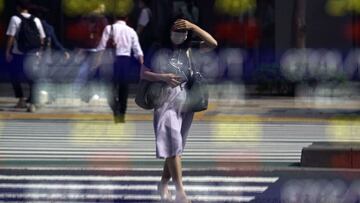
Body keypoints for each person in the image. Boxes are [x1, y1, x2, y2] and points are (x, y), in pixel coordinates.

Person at [140, 18, 217, 202]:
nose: (179, 35)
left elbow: (213, 43)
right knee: (173, 143)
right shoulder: (158, 49)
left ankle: (163, 183)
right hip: (165, 98)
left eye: (183, 32)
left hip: (186, 100)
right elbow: (143, 73)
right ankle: (180, 191)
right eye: (176, 31)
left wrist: (193, 26)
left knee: (177, 147)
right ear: (168, 32)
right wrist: (163, 77)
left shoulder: (190, 48)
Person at [97, 14, 144, 123]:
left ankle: (116, 109)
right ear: (127, 18)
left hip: (111, 61)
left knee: (110, 89)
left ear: (114, 18)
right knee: (124, 89)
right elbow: (138, 50)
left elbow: (101, 47)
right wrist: (142, 65)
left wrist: (97, 61)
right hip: (125, 61)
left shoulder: (109, 28)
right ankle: (121, 114)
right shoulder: (131, 31)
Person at [5, 0, 46, 112]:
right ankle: (33, 103)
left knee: (14, 76)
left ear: (18, 7)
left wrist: (7, 51)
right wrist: (40, 52)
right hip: (33, 52)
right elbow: (42, 37)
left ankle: (21, 100)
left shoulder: (15, 19)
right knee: (31, 77)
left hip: (18, 53)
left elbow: (11, 37)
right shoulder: (36, 19)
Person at [73, 3, 108, 103]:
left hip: (97, 49)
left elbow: (104, 37)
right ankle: (79, 91)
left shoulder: (102, 21)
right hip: (87, 49)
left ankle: (94, 93)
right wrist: (79, 48)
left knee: (95, 72)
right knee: (83, 71)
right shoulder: (85, 20)